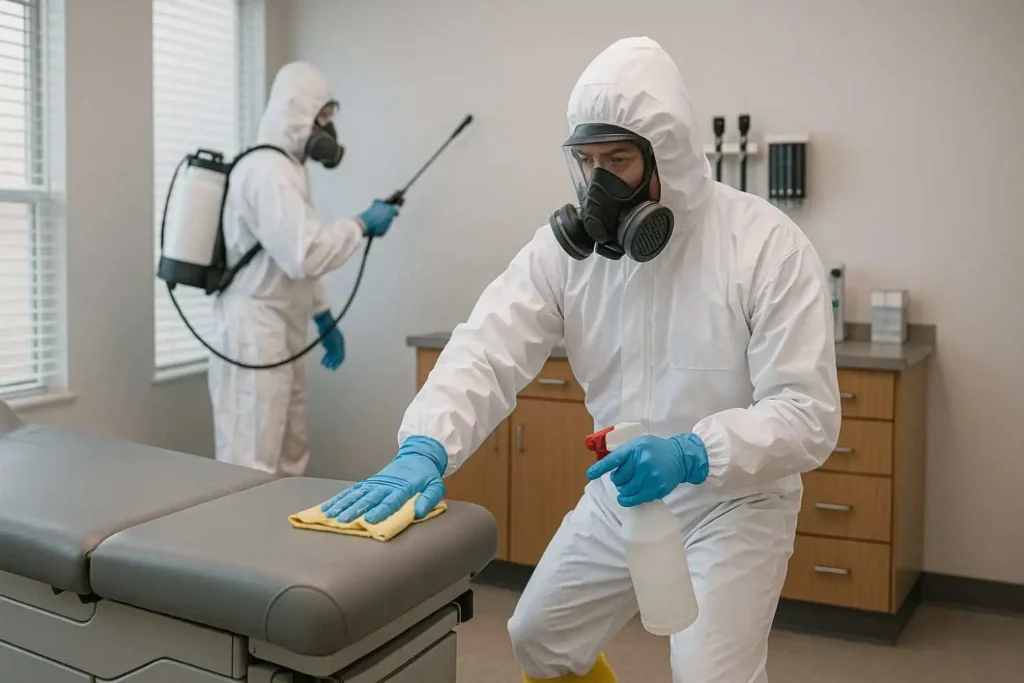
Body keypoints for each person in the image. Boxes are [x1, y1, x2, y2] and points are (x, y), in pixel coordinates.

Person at [321, 36, 841, 683]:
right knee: (538, 637)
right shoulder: (566, 253)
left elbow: (807, 414)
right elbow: (487, 346)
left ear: (667, 157)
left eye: (618, 159)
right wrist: (425, 443)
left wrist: (694, 451)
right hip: (624, 493)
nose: (598, 183)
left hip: (735, 500)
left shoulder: (764, 245)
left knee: (710, 673)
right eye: (586, 159)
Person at [208, 61, 399, 477]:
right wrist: (361, 224)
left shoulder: (288, 169)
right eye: (323, 117)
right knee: (251, 464)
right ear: (298, 111)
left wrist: (321, 314)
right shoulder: (266, 172)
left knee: (290, 454)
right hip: (253, 330)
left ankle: (281, 542)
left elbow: (290, 259)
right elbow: (306, 254)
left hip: (282, 324)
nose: (327, 129)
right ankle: (243, 543)